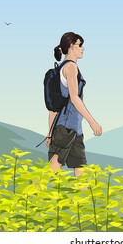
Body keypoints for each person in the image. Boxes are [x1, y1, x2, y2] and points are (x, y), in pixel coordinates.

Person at [46, 32, 102, 178]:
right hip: (66, 129)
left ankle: (85, 200)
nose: (82, 49)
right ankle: (29, 196)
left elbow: (53, 108)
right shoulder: (71, 67)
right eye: (80, 45)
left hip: (74, 129)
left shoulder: (61, 68)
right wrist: (92, 122)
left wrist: (50, 132)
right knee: (52, 168)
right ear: (71, 47)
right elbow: (75, 98)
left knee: (80, 167)